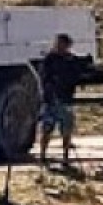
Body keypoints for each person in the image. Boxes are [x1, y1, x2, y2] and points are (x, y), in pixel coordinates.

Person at [38, 33, 83, 165]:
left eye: (62, 44)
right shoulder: (49, 60)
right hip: (51, 100)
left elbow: (76, 76)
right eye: (58, 43)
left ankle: (65, 156)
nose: (59, 46)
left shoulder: (72, 61)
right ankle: (43, 155)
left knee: (66, 130)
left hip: (65, 99)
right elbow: (44, 77)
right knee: (47, 128)